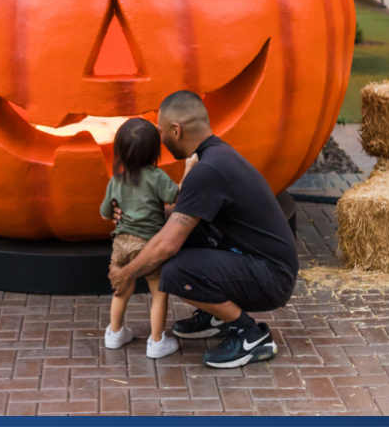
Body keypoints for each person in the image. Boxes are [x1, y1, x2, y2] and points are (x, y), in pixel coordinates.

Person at [108, 91, 298, 368]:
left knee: (175, 270)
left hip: (271, 276)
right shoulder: (216, 156)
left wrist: (127, 273)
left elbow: (168, 244)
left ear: (176, 130)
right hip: (256, 261)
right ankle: (216, 314)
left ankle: (251, 335)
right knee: (166, 236)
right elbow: (179, 216)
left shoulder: (208, 170)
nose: (160, 140)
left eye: (161, 132)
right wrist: (135, 215)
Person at [99, 118, 190, 359]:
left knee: (121, 290)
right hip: (149, 245)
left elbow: (106, 212)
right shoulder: (157, 177)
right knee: (159, 293)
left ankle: (115, 334)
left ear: (119, 151)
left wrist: (117, 210)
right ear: (154, 151)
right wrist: (189, 171)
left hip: (122, 244)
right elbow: (176, 198)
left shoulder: (116, 180)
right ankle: (157, 341)